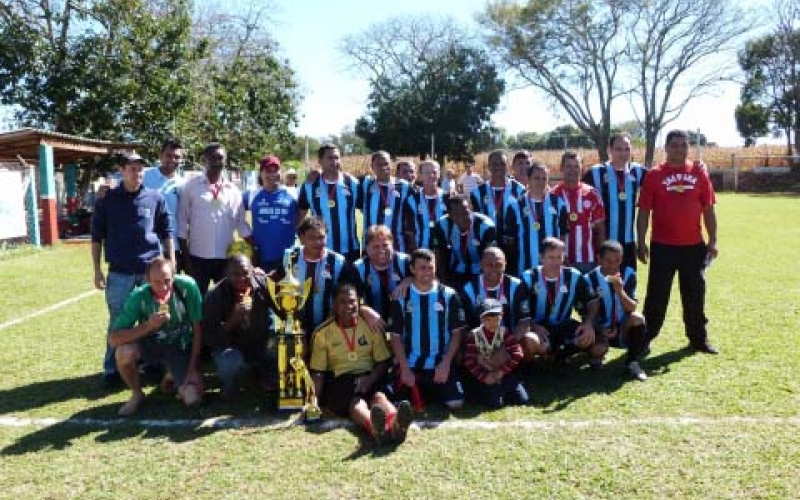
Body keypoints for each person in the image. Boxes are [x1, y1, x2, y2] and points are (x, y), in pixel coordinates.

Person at [91, 152, 175, 388]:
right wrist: (97, 270)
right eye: (132, 168)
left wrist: (171, 261)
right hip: (120, 273)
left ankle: (150, 365)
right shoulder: (107, 200)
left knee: (153, 318)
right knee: (119, 320)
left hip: (150, 272)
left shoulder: (155, 198)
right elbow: (96, 237)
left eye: (140, 169)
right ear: (121, 170)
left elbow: (166, 232)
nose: (137, 173)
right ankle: (111, 369)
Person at [637, 129, 719, 354]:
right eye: (675, 145)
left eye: (684, 145)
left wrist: (713, 239)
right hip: (663, 246)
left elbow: (708, 209)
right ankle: (645, 337)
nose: (680, 149)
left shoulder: (699, 172)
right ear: (666, 148)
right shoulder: (654, 175)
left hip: (693, 247)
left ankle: (698, 339)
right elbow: (644, 211)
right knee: (657, 295)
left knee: (694, 294)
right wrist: (641, 241)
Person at [311, 283, 413, 444]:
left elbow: (383, 361)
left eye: (352, 301)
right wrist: (313, 401)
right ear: (334, 306)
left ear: (359, 303)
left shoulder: (371, 326)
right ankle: (375, 428)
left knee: (379, 397)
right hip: (341, 381)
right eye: (342, 302)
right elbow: (318, 372)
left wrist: (369, 380)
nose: (348, 306)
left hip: (370, 375)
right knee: (356, 403)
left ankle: (397, 425)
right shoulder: (322, 333)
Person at [109, 257, 203, 415]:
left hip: (180, 347)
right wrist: (148, 326)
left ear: (174, 276)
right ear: (147, 280)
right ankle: (137, 394)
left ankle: (172, 374)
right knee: (123, 353)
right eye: (156, 282)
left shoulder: (188, 287)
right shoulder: (139, 296)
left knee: (192, 399)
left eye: (167, 280)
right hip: (152, 346)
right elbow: (114, 339)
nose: (163, 287)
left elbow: (198, 330)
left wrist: (193, 368)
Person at [388, 248, 467, 411]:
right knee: (398, 404)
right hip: (411, 364)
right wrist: (404, 368)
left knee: (456, 404)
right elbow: (395, 336)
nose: (427, 272)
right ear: (412, 269)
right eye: (422, 268)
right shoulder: (401, 296)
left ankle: (431, 389)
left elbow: (456, 333)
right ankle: (421, 389)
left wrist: (446, 363)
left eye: (430, 267)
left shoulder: (449, 295)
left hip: (439, 363)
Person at [178, 143, 251, 296]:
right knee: (197, 303)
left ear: (225, 160)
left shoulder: (234, 191)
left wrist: (256, 246)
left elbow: (241, 225)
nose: (217, 161)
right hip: (197, 258)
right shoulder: (190, 187)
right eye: (213, 157)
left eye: (221, 158)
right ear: (204, 159)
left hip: (225, 259)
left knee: (224, 302)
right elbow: (182, 224)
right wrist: (186, 259)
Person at [203, 254, 278, 400]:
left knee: (281, 347)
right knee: (229, 361)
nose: (241, 278)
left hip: (260, 343)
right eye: (235, 274)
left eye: (245, 273)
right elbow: (210, 338)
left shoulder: (263, 285)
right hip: (231, 348)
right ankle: (232, 383)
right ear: (226, 274)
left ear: (253, 270)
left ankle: (262, 374)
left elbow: (283, 310)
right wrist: (234, 319)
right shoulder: (215, 295)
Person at [520, 238, 603, 367]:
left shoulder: (574, 276)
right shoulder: (528, 277)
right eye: (551, 257)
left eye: (559, 257)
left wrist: (588, 323)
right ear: (541, 258)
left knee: (599, 346)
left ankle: (558, 356)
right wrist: (533, 325)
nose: (555, 262)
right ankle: (536, 363)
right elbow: (519, 310)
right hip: (539, 327)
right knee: (529, 341)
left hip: (563, 324)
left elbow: (592, 301)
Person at [271, 216, 358, 338]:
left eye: (321, 237)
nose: (317, 242)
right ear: (301, 238)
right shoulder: (289, 257)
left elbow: (348, 295)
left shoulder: (338, 262)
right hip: (296, 325)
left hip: (329, 325)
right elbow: (276, 285)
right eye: (311, 238)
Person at [584, 240, 649, 381]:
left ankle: (632, 362)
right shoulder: (588, 279)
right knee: (597, 350)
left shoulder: (628, 273)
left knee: (637, 318)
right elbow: (585, 314)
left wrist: (620, 291)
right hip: (600, 329)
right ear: (599, 259)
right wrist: (600, 330)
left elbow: (632, 307)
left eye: (617, 261)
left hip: (622, 327)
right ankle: (595, 356)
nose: (613, 265)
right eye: (608, 261)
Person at [583, 133, 648, 271]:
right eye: (618, 149)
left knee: (628, 283)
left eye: (627, 149)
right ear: (610, 150)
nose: (623, 153)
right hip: (604, 241)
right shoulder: (596, 173)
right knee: (604, 285)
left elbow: (660, 180)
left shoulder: (639, 171)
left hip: (628, 243)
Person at [297, 143, 360, 261]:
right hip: (320, 250)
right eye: (330, 158)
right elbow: (300, 215)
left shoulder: (353, 183)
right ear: (320, 161)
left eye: (337, 157)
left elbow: (366, 210)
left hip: (351, 250)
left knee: (350, 280)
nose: (334, 161)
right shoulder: (309, 186)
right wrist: (302, 238)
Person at [505, 161, 569, 276]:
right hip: (525, 269)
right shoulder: (515, 206)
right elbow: (511, 242)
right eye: (536, 178)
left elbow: (563, 235)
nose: (541, 182)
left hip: (553, 269)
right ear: (528, 179)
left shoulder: (558, 204)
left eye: (544, 178)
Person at [463, 299, 529, 408]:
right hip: (484, 374)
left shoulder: (505, 332)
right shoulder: (474, 335)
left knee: (522, 400)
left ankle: (503, 389)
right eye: (488, 319)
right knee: (495, 404)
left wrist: (501, 372)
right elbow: (468, 359)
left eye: (496, 319)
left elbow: (517, 353)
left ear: (502, 316)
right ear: (481, 319)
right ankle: (487, 392)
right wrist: (484, 377)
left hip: (503, 372)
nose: (493, 323)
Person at [551, 152, 606, 273]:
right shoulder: (553, 195)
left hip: (587, 259)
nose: (573, 170)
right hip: (559, 259)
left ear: (582, 169)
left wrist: (602, 256)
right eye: (568, 166)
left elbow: (600, 228)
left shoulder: (592, 194)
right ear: (561, 168)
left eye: (576, 166)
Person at [243, 155, 298, 273]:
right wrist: (248, 236)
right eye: (268, 171)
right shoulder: (251, 195)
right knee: (264, 291)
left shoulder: (294, 193)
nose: (273, 174)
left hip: (289, 257)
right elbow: (235, 216)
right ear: (260, 174)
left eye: (276, 170)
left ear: (281, 172)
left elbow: (307, 212)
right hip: (262, 257)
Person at [469, 150, 526, 262]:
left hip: (513, 247)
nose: (498, 167)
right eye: (494, 164)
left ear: (508, 166)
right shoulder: (477, 192)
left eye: (502, 164)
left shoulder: (520, 190)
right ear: (488, 166)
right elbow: (475, 222)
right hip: (486, 246)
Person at [460, 247, 531, 336]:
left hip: (510, 338)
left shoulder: (516, 286)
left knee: (531, 339)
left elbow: (524, 321)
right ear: (481, 265)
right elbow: (464, 326)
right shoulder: (469, 289)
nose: (494, 269)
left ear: (505, 265)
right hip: (480, 341)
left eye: (498, 265)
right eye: (489, 265)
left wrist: (509, 343)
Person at [435, 194, 497, 288]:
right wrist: (444, 281)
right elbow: (439, 254)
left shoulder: (486, 226)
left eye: (465, 212)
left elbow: (491, 257)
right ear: (449, 214)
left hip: (480, 272)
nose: (461, 218)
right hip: (456, 271)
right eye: (456, 214)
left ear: (471, 209)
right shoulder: (442, 225)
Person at [142, 139, 186, 271]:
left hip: (172, 247)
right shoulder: (143, 175)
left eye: (177, 157)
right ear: (160, 156)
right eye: (168, 155)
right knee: (145, 289)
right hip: (145, 246)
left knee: (168, 288)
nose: (172, 159)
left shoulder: (183, 184)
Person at [358, 151, 414, 253]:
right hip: (371, 246)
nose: (384, 167)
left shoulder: (405, 187)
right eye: (379, 164)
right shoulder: (366, 184)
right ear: (372, 167)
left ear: (391, 164)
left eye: (386, 164)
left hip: (396, 245)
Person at [354, 225, 412, 320]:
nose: (381, 250)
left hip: (404, 319)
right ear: (367, 248)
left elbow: (432, 282)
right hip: (372, 321)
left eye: (385, 245)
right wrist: (363, 309)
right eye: (376, 247)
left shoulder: (406, 262)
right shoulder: (358, 268)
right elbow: (350, 298)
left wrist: (411, 280)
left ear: (392, 244)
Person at [402, 160, 448, 252]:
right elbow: (409, 230)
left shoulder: (448, 197)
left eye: (434, 172)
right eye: (427, 173)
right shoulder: (412, 200)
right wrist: (416, 251)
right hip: (421, 251)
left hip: (445, 252)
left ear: (439, 174)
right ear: (420, 176)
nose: (431, 176)